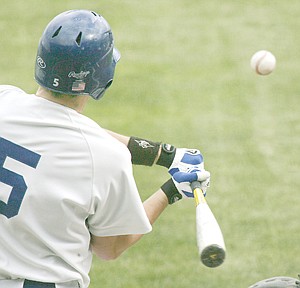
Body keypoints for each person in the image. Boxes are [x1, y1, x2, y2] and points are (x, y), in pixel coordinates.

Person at [0, 10, 210, 288]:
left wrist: (164, 155)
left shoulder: (5, 100)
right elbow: (110, 248)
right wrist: (170, 191)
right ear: (103, 75)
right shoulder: (106, 158)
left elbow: (67, 131)